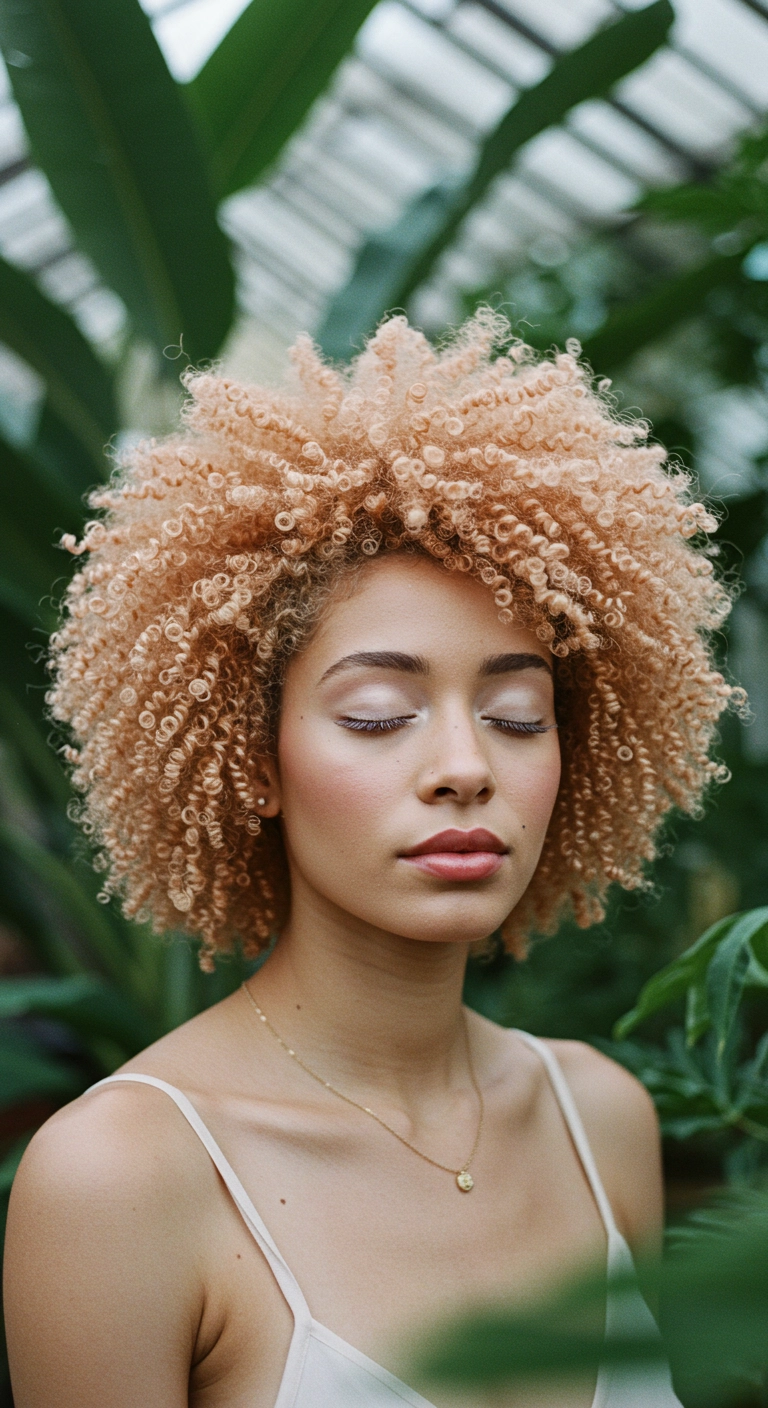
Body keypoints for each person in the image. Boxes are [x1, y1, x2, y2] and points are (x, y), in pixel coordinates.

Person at [4, 312, 737, 1407]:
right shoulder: (125, 1177)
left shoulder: (601, 1117)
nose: (463, 766)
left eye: (517, 713)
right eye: (381, 714)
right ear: (251, 759)